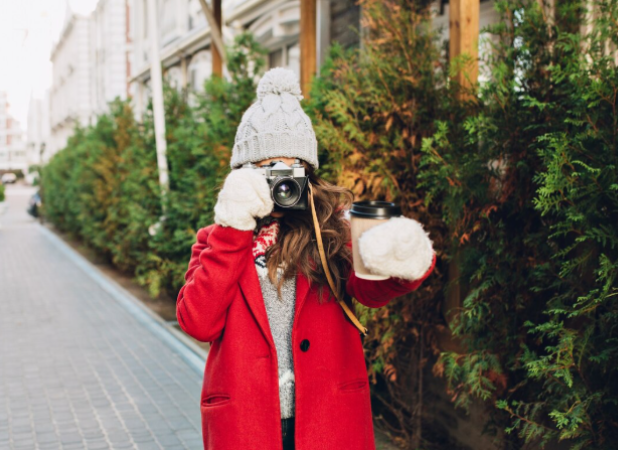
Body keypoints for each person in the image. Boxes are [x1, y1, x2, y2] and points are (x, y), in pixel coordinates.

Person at [176, 68, 437, 450]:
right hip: (247, 425)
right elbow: (198, 321)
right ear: (242, 174)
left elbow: (371, 289)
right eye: (267, 169)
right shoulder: (218, 239)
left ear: (309, 174)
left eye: (290, 169)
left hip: (327, 421)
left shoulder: (332, 228)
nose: (281, 183)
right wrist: (233, 227)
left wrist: (400, 253)